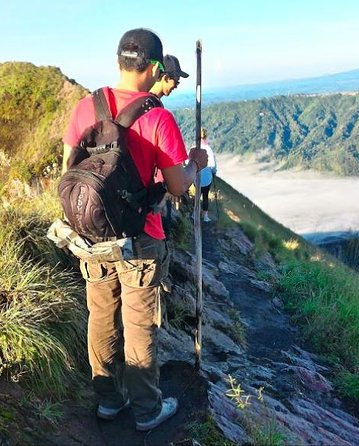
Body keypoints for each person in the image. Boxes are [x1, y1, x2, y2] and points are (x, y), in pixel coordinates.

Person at [61, 28, 208, 432]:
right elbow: (178, 185)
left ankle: (109, 400)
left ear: (119, 61)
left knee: (101, 316)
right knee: (140, 323)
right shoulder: (157, 117)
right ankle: (147, 410)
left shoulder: (83, 109)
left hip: (90, 235)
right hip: (140, 238)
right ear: (156, 67)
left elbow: (66, 174)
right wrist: (195, 161)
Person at [149, 54, 189, 236]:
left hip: (140, 192)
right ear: (165, 77)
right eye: (176, 81)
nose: (176, 86)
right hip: (155, 193)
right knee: (162, 232)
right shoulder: (157, 112)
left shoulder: (138, 105)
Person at [199, 128, 217, 222]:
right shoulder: (209, 149)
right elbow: (213, 165)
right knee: (205, 196)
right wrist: (214, 172)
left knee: (197, 196)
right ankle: (205, 216)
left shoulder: (194, 147)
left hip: (196, 176)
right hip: (207, 176)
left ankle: (195, 214)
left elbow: (187, 162)